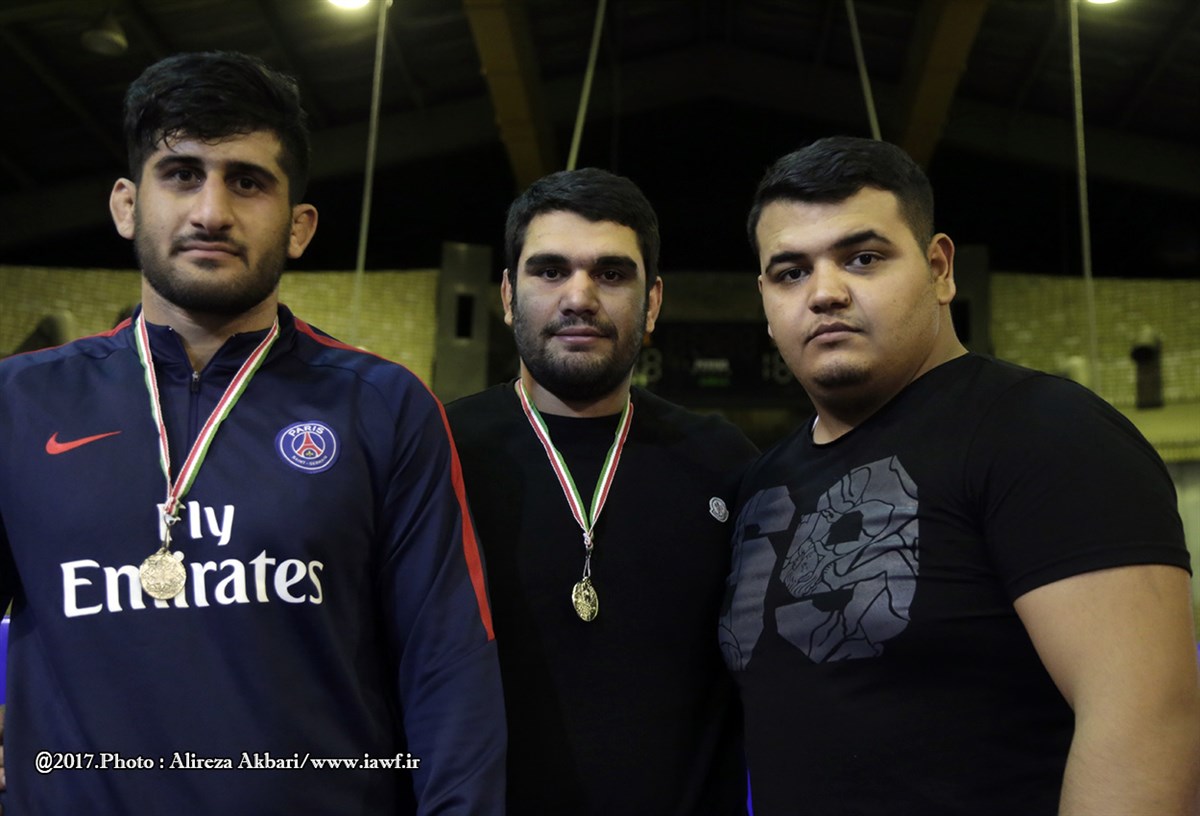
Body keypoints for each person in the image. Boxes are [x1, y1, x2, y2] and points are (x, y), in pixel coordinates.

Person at [0, 51, 505, 814]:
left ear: (299, 226)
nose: (211, 212)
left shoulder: (384, 407)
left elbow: (449, 668)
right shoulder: (19, 404)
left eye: (247, 181)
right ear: (126, 205)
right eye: (181, 174)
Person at [721, 135, 1200, 815]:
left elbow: (1147, 726)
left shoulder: (1046, 432)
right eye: (791, 272)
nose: (825, 292)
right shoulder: (761, 484)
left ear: (939, 269)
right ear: (766, 302)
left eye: (863, 258)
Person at [446, 168, 757, 814]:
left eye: (611, 274)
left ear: (653, 302)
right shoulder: (436, 452)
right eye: (550, 270)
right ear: (507, 296)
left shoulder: (724, 461)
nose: (580, 297)